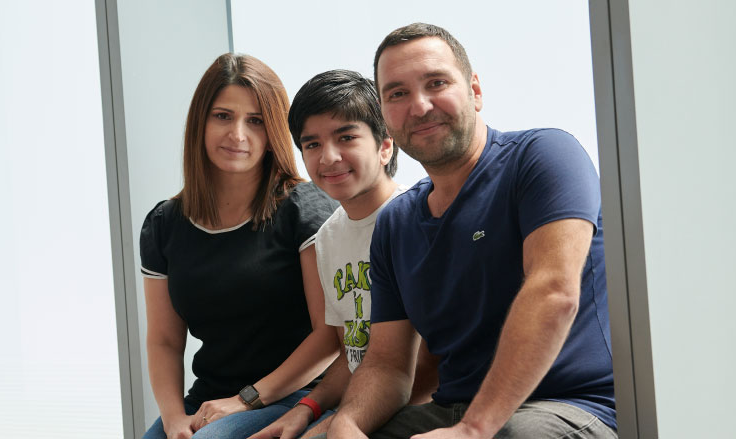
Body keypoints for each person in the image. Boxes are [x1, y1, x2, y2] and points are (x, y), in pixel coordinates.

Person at [326, 23, 617, 438]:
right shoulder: (396, 223)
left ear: (475, 91)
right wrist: (346, 423)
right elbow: (388, 364)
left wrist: (474, 430)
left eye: (436, 82)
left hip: (566, 407)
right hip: (452, 410)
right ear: (386, 118)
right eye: (398, 94)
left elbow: (554, 292)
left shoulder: (544, 157)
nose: (421, 106)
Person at [139, 53, 339, 439]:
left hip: (296, 395)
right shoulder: (164, 224)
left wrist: (246, 399)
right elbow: (164, 340)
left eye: (256, 121)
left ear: (274, 133)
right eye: (223, 116)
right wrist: (172, 418)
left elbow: (329, 337)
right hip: (209, 400)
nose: (238, 135)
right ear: (200, 122)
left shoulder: (304, 208)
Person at [251, 70, 438, 439]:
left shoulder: (419, 220)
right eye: (312, 144)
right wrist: (308, 409)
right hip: (357, 405)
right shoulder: (328, 237)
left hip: (417, 409)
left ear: (385, 146)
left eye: (346, 137)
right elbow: (352, 353)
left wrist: (336, 425)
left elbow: (426, 365)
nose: (329, 157)